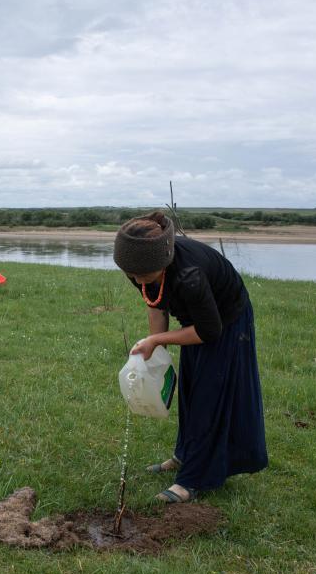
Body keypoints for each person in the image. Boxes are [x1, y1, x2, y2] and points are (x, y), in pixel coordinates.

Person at [113, 211, 267, 502]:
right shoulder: (140, 265)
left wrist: (157, 339)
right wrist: (156, 348)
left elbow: (209, 332)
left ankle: (195, 480)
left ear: (164, 261)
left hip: (227, 324)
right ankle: (184, 456)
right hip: (197, 323)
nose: (136, 279)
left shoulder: (189, 275)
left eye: (142, 275)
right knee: (191, 391)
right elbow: (154, 303)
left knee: (210, 398)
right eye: (132, 274)